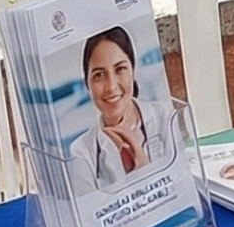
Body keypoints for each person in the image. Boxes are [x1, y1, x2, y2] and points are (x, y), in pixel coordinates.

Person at [71, 26, 176, 189]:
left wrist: (143, 167)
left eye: (120, 69)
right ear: (87, 84)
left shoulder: (165, 116)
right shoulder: (82, 151)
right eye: (99, 75)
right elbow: (91, 212)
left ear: (133, 71)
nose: (111, 86)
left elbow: (185, 189)